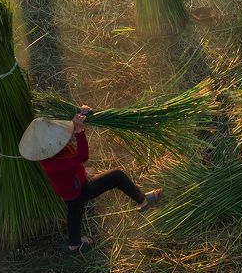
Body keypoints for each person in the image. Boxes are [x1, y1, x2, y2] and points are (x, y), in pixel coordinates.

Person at [20, 108, 162, 254]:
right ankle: (143, 202)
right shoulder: (49, 162)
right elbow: (82, 157)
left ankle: (74, 245)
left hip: (71, 188)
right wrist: (80, 132)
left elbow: (69, 141)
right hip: (77, 190)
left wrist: (81, 112)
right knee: (117, 176)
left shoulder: (51, 150)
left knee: (75, 211)